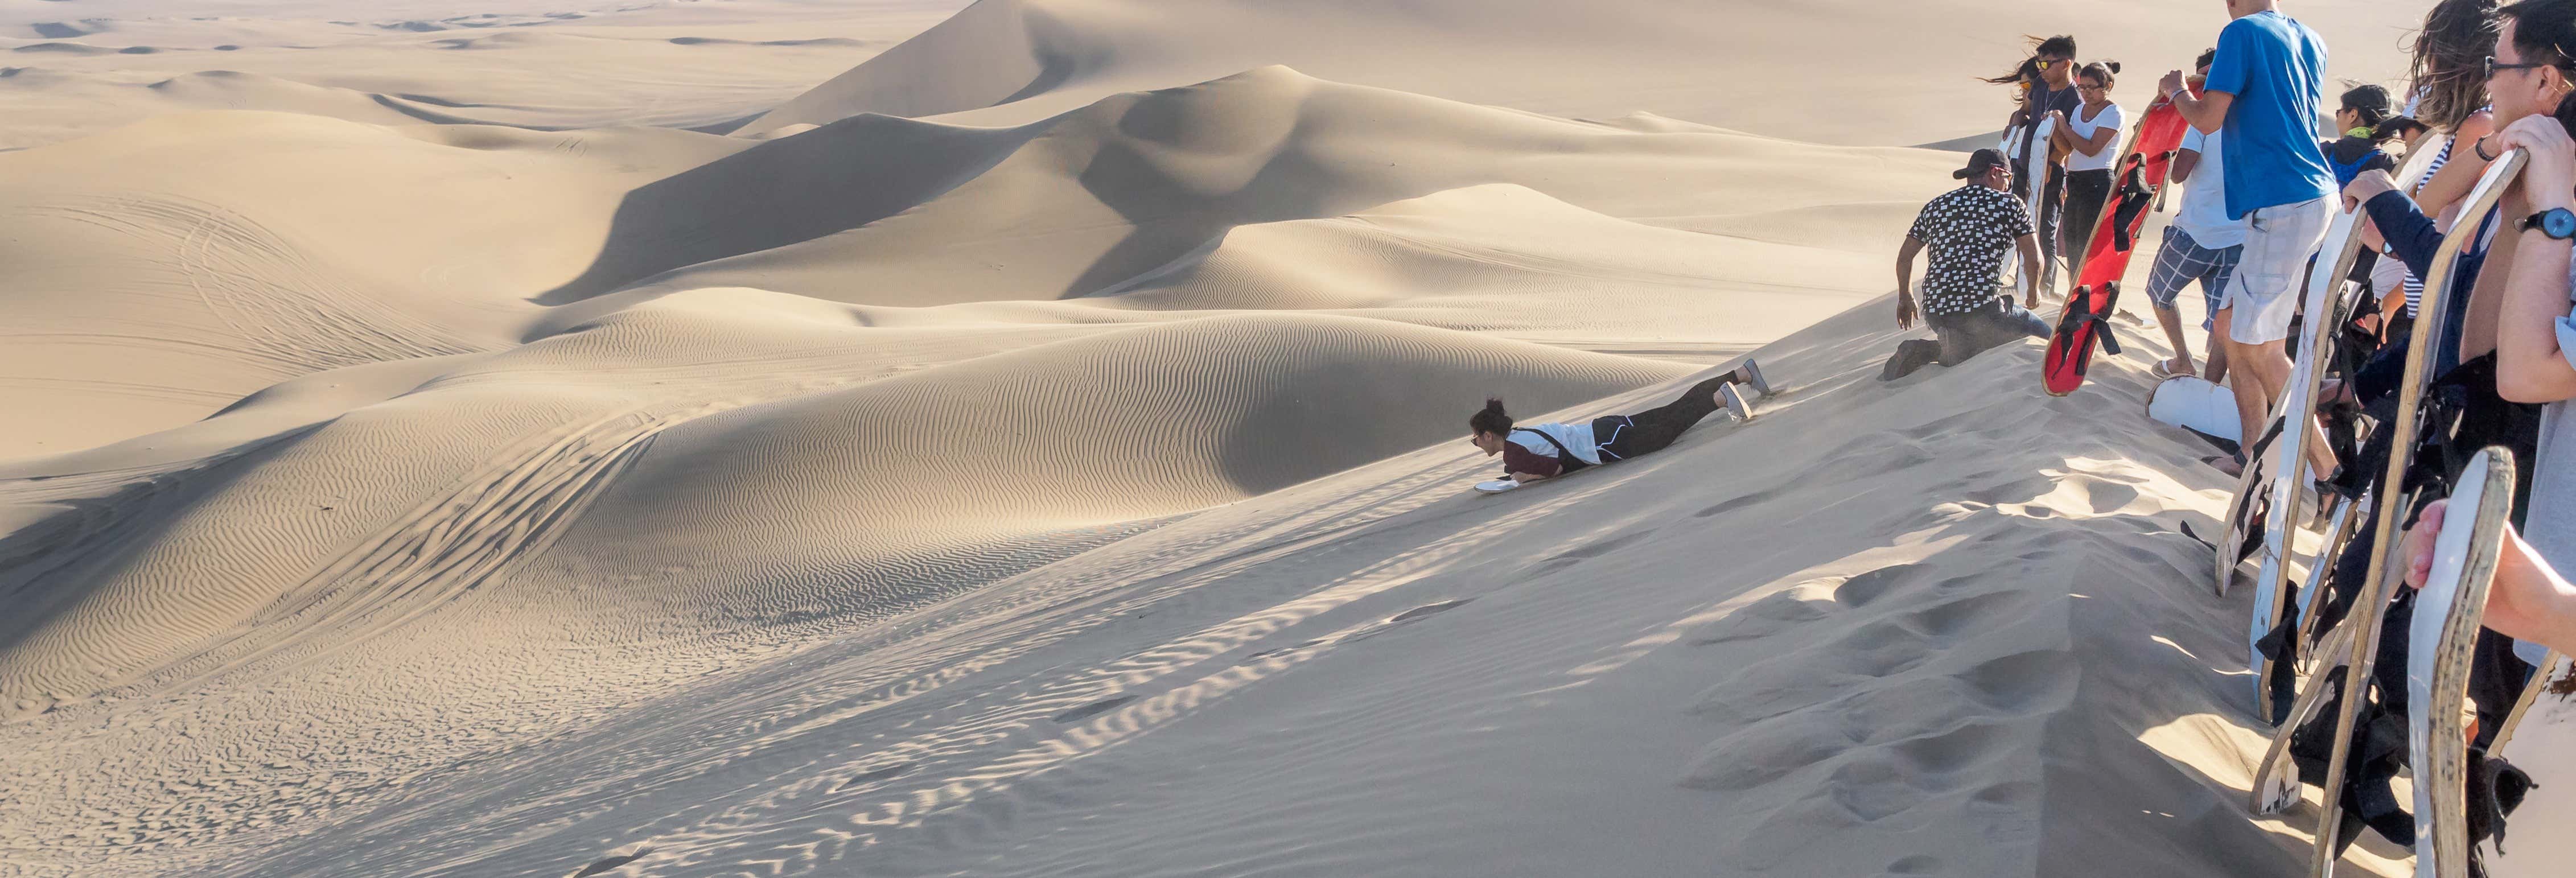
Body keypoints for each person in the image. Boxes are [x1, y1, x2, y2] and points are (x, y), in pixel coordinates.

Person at [2159, 0, 2336, 478]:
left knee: (2261, 346)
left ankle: (2328, 474)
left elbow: (2207, 119)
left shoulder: (2240, 33)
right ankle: (2251, 451)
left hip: (2283, 201)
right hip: (2302, 196)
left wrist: (2176, 91)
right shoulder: (2309, 38)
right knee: (2230, 325)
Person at [1884, 149, 2050, 380]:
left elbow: (1904, 257)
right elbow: (2035, 259)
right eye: (2007, 178)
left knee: (1969, 340)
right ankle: (1941, 349)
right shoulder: (2011, 204)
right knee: (2043, 336)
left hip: (1936, 313)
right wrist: (2033, 293)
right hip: (1982, 311)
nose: (2008, 185)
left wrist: (1906, 297)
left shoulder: (1937, 206)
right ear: (1994, 173)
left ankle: (1941, 348)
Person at [1470, 363, 1770, 484]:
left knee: (1673, 426)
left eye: (1476, 439)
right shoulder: (1519, 435)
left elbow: (1556, 468)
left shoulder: (1513, 453)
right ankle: (1742, 374)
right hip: (1604, 428)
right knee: (1674, 409)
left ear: (1488, 435)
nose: (1477, 444)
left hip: (1607, 446)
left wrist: (1525, 477)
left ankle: (1720, 399)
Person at [2146, 50, 2241, 382]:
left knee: (2159, 294)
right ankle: (2210, 386)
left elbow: (2178, 174)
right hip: (2239, 237)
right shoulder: (2250, 120)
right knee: (2222, 318)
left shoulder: (2200, 120)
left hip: (2195, 233)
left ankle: (2183, 360)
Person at [1988, 36, 2085, 295]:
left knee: (2043, 231)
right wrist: (2017, 120)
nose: (2041, 69)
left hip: (2049, 173)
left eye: (2046, 64)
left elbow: (2069, 147)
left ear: (2066, 64)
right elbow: (2025, 110)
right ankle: (2022, 279)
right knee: (2019, 226)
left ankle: (2044, 287)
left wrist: (2053, 160)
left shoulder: (2074, 100)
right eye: (2040, 64)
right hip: (2024, 166)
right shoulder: (2041, 85)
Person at [2052, 61, 2127, 275]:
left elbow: (2091, 149)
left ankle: (2087, 289)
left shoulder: (2113, 113)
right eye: (2082, 87)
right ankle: (2074, 289)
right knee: (2072, 240)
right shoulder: (2079, 110)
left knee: (2088, 243)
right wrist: (2055, 129)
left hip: (2098, 183)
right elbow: (2070, 149)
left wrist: (2064, 126)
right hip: (2075, 181)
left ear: (2108, 86)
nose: (2086, 93)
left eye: (2091, 88)